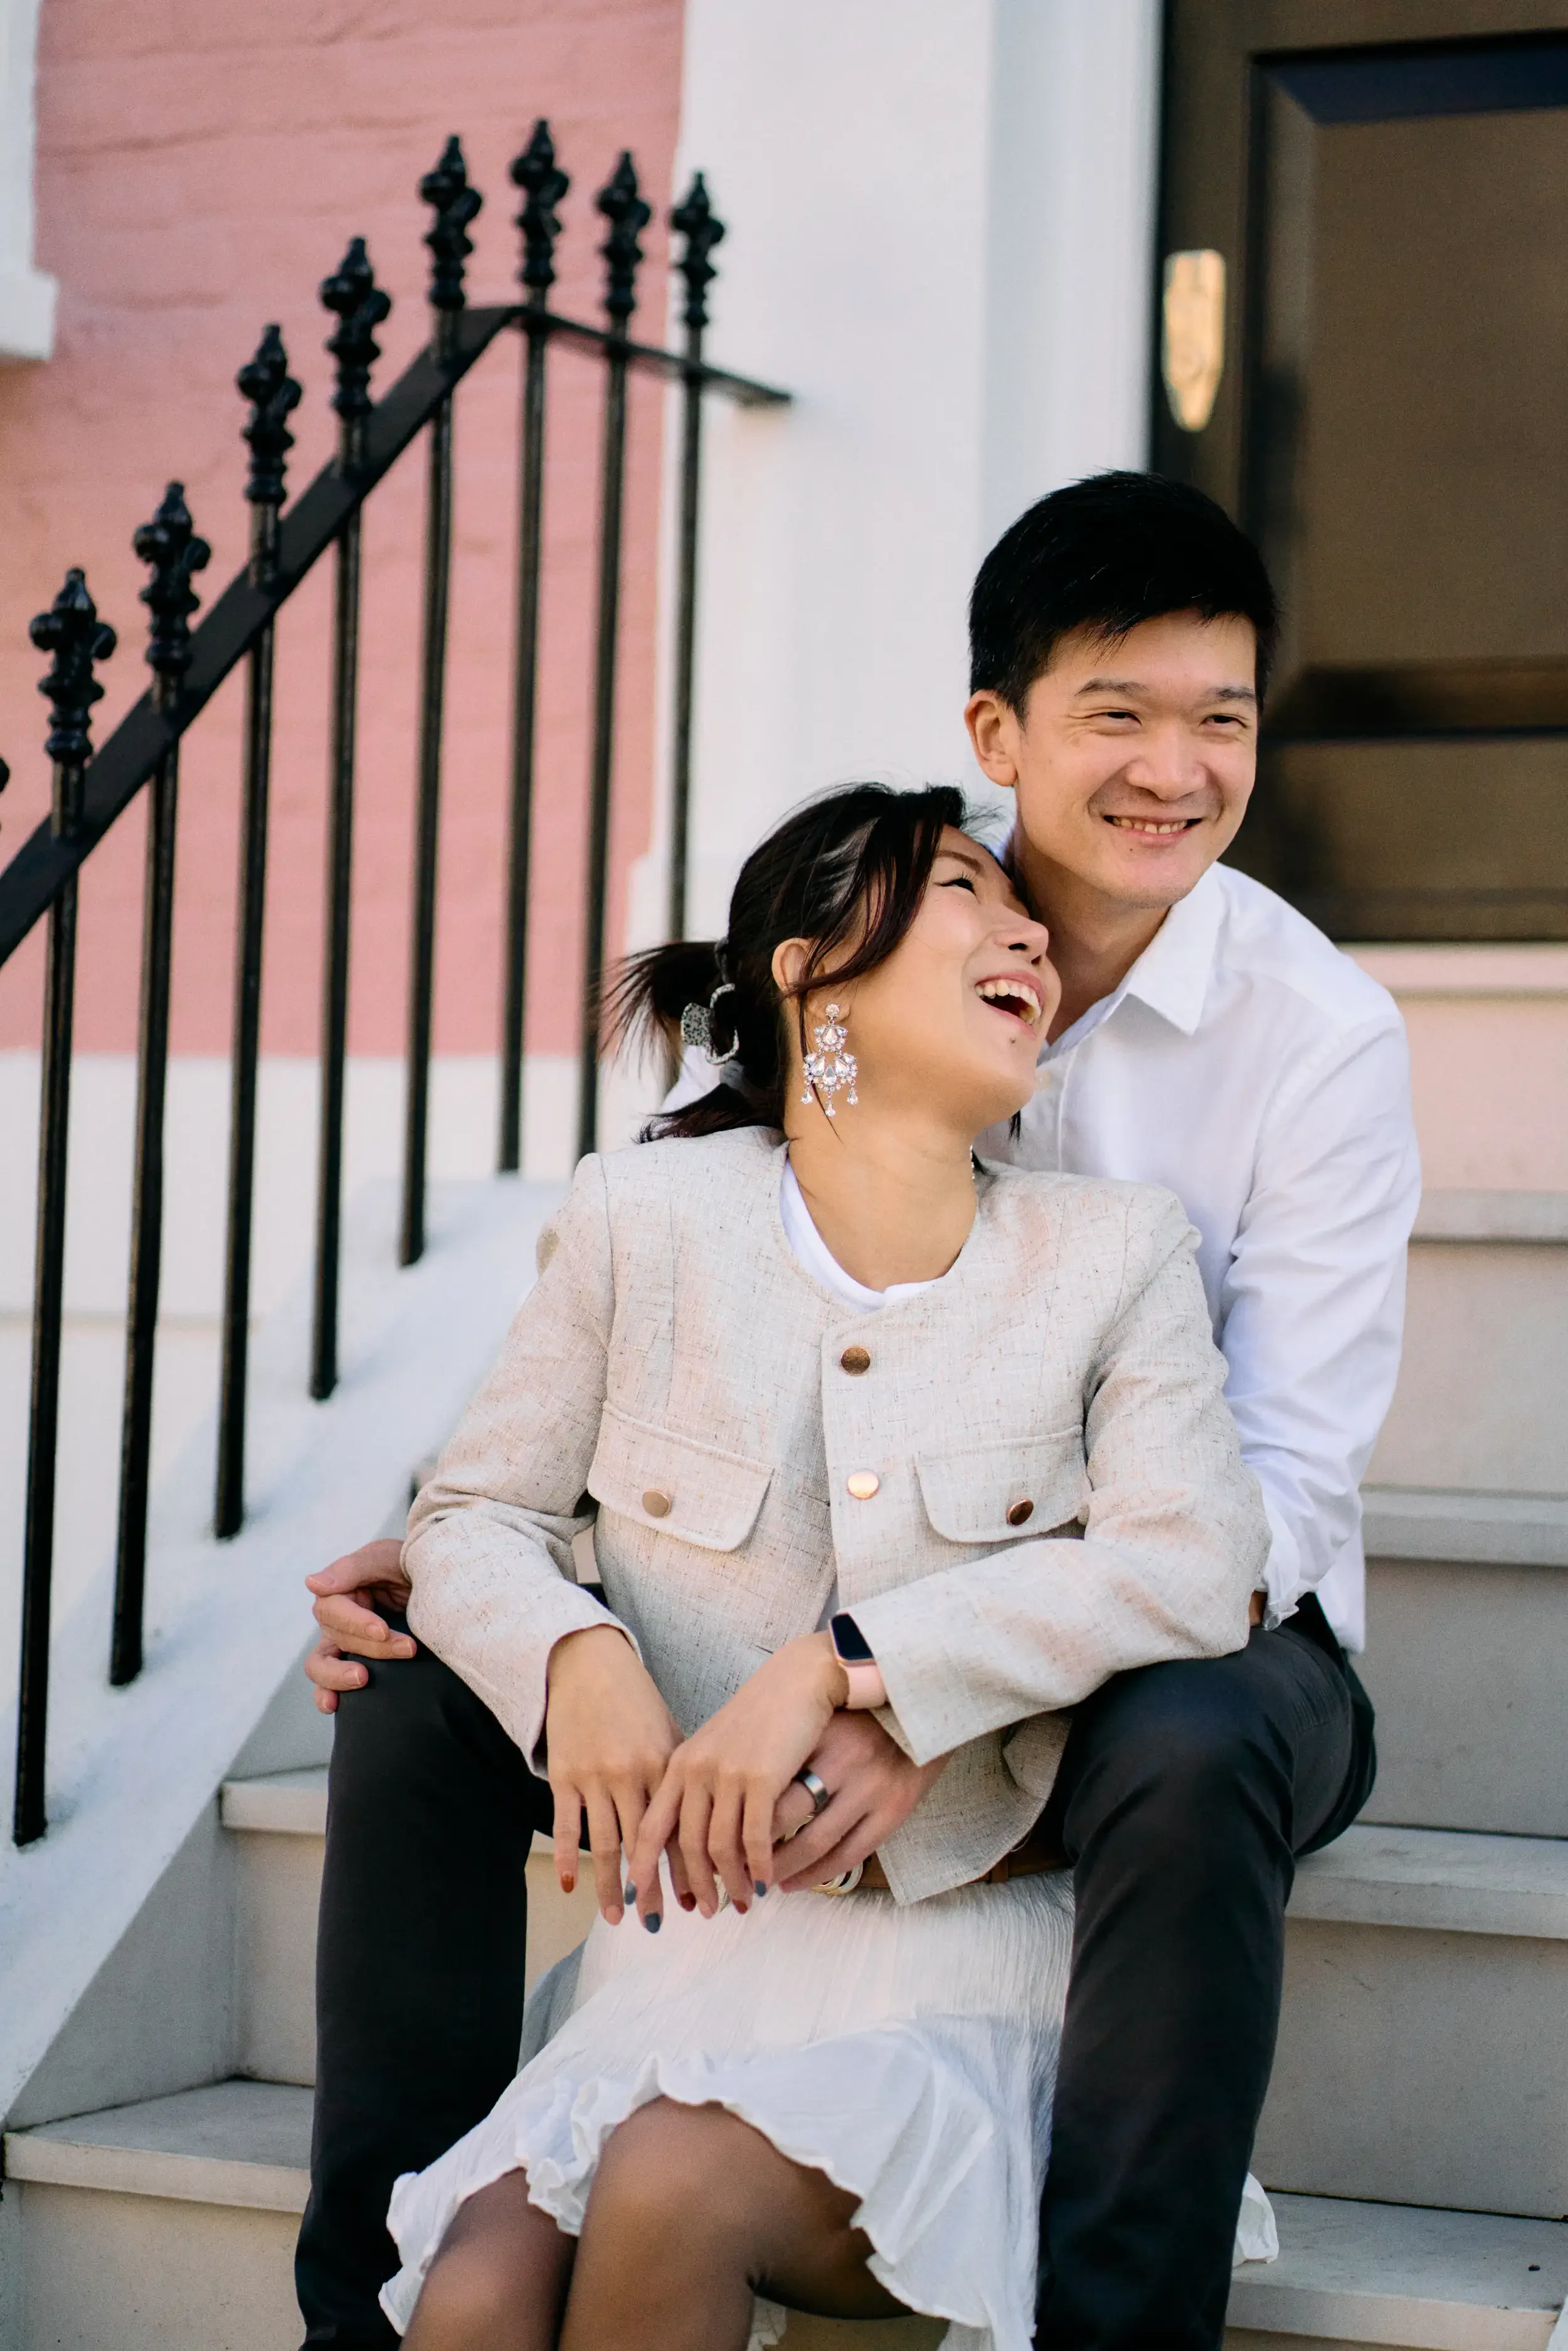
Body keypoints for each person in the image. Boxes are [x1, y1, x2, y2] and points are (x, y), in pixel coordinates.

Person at [299, 474, 1419, 2351]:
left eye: (1217, 718)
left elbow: (1267, 1510)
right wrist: (501, 1577)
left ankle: (1119, 2316)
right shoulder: (884, 907)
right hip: (823, 1603)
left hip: (1169, 1637)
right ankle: (370, 2299)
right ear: (997, 731)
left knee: (1195, 1728)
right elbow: (697, 1283)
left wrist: (911, 1674)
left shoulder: (1310, 1041)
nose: (1173, 769)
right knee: (417, 1687)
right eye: (1115, 716)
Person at [371, 781, 1268, 2351]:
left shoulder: (1110, 1252)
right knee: (473, 2294)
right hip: (679, 1978)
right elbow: (469, 1517)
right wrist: (574, 1657)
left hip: (959, 1987)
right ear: (807, 973)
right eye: (964, 892)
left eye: (1024, 914)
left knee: (669, 2188)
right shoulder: (640, 1221)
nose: (1026, 933)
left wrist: (855, 1665)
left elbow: (1193, 1557)